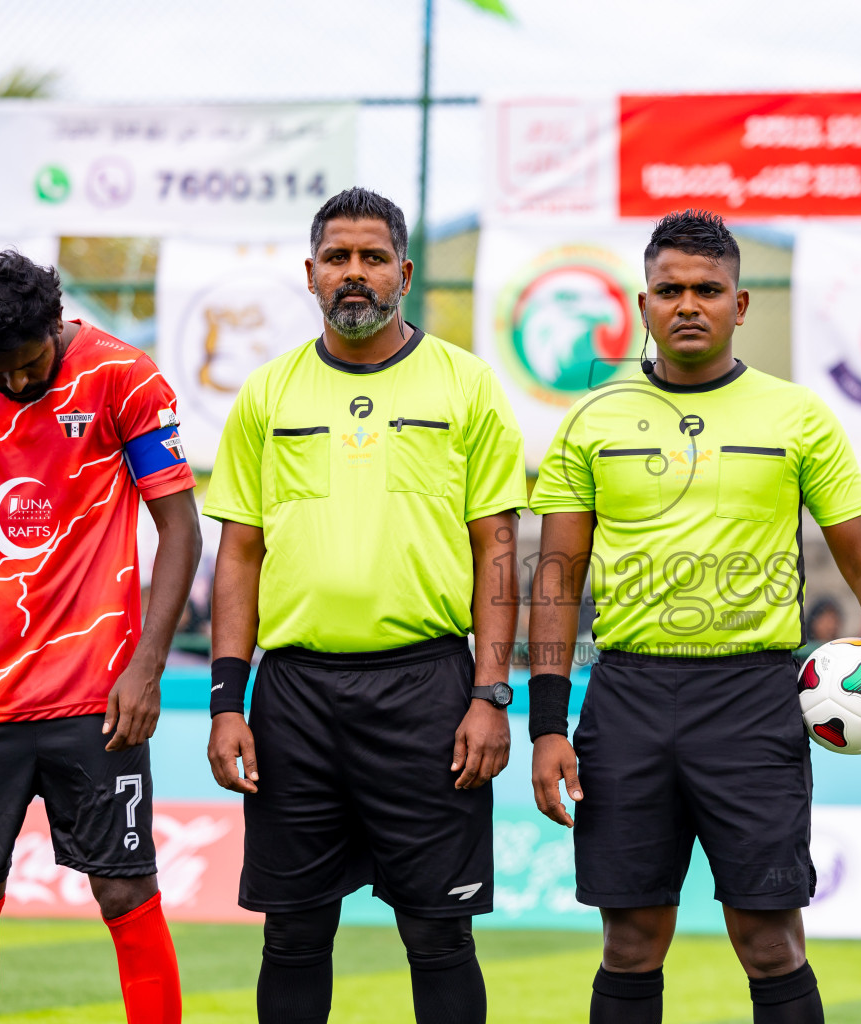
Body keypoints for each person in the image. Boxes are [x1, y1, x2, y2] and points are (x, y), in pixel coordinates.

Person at [527, 209, 861, 1024]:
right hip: (626, 696)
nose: (688, 304)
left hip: (754, 699)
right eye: (670, 290)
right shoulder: (593, 419)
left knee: (770, 939)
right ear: (643, 304)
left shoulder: (798, 416)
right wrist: (547, 727)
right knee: (630, 941)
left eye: (709, 289)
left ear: (741, 306)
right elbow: (558, 580)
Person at [203, 187, 527, 1024]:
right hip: (294, 696)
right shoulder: (267, 395)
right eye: (338, 258)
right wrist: (225, 704)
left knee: (438, 932)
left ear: (405, 273)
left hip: (426, 690)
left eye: (373, 257)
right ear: (309, 273)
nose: (355, 274)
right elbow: (240, 553)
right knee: (294, 932)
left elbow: (498, 548)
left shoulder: (467, 385)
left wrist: (492, 694)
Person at [0, 251, 200, 1024]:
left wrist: (147, 666)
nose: (18, 383)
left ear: (55, 324)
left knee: (125, 888)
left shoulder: (124, 377)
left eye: (30, 364)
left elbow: (180, 530)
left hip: (97, 695)